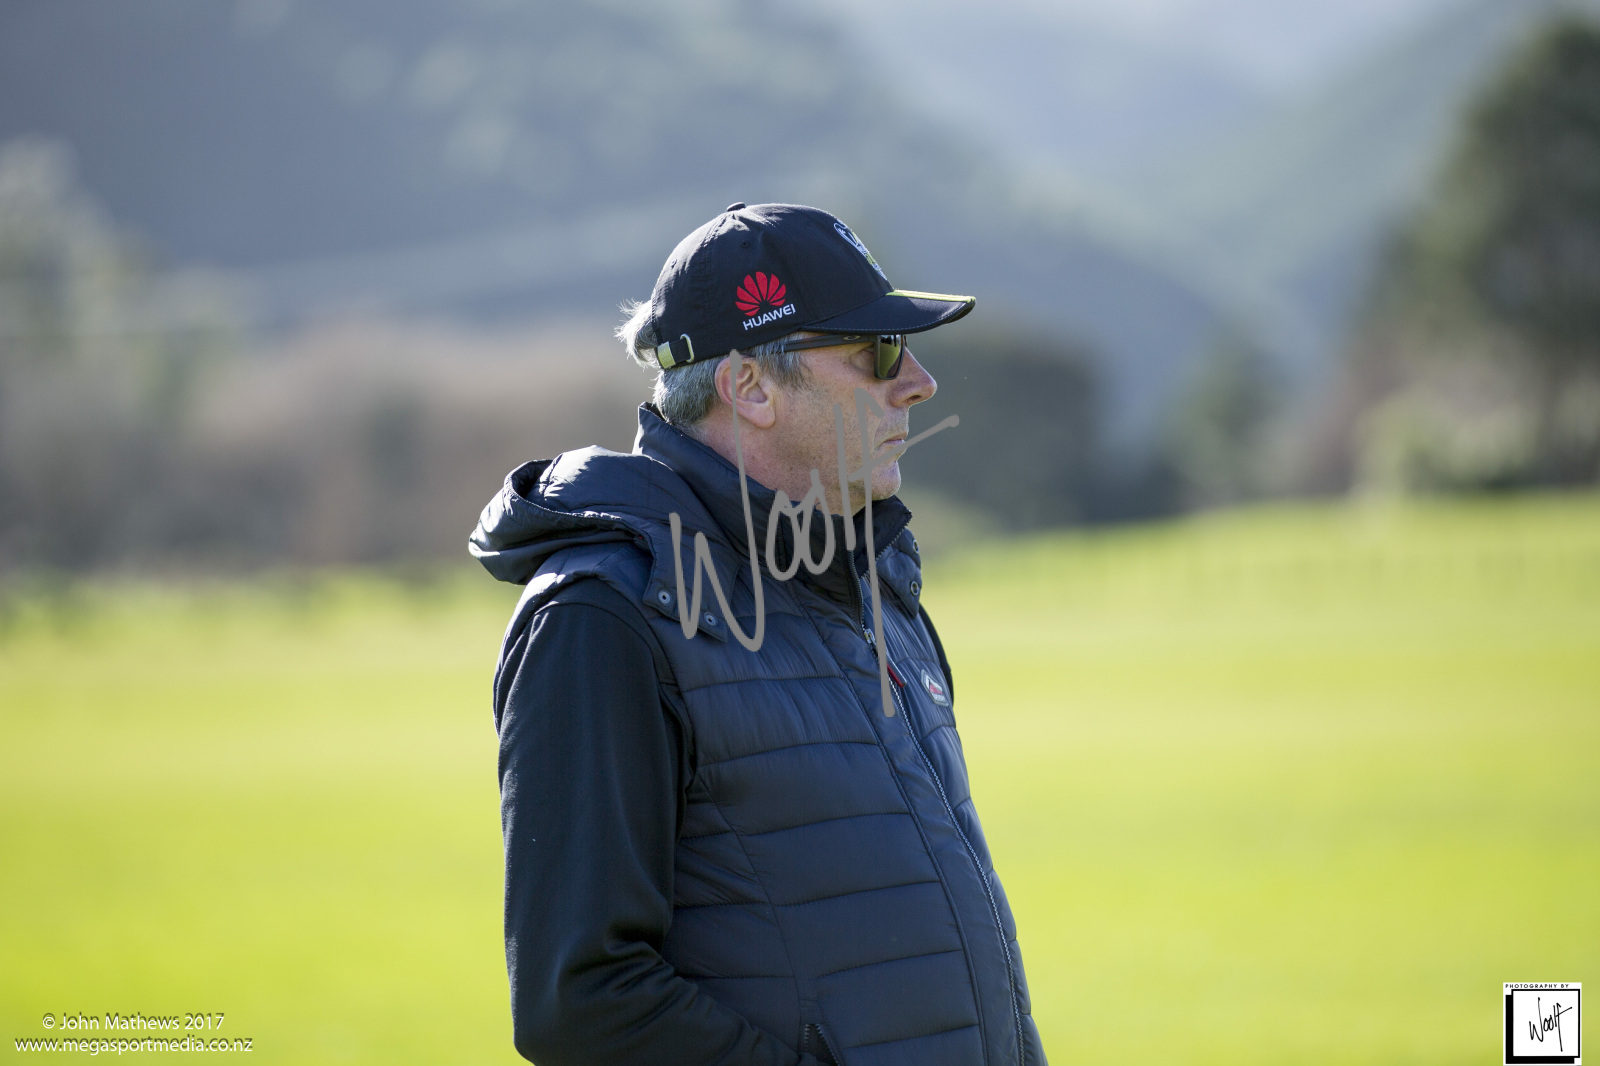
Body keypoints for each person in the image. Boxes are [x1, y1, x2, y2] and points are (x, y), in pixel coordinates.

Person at [470, 202, 1045, 1066]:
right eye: (878, 349)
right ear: (749, 387)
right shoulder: (603, 615)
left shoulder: (873, 577)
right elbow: (583, 1002)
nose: (920, 381)